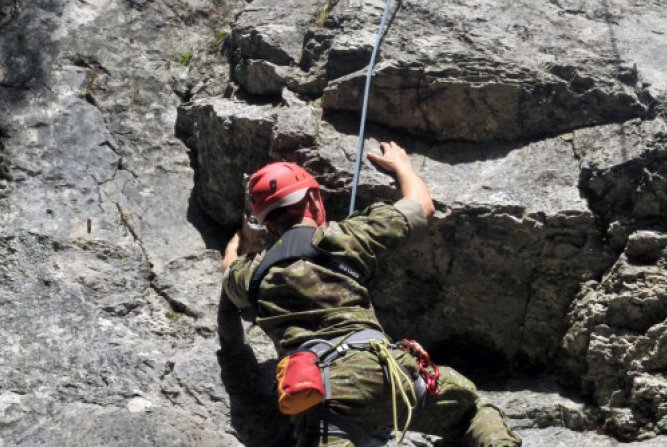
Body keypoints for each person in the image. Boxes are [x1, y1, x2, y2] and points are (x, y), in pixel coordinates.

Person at [221, 141, 521, 447]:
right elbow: (421, 206)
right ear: (314, 198)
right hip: (389, 377)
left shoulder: (252, 274)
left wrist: (235, 248)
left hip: (323, 399)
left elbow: (228, 271)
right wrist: (402, 166)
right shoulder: (348, 236)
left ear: (270, 227)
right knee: (470, 410)